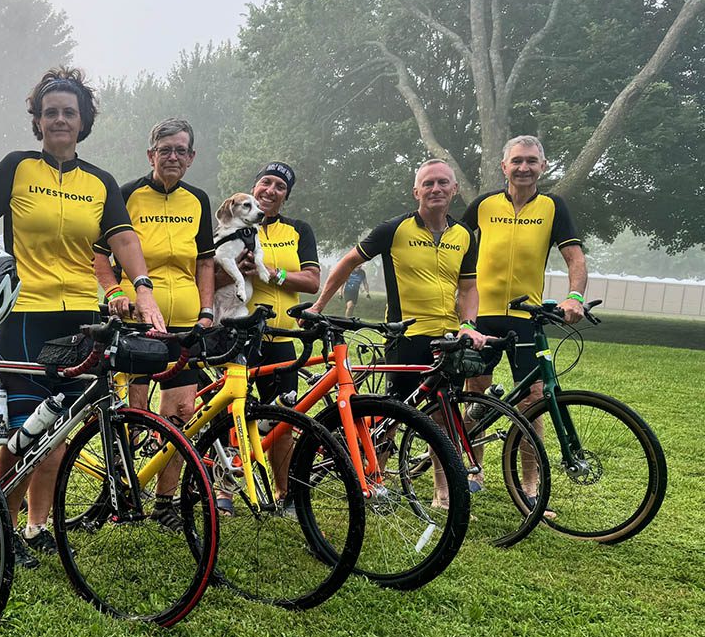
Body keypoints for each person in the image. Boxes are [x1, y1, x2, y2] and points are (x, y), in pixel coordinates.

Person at [0, 66, 165, 567]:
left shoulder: (99, 182)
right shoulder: (15, 166)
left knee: (61, 428)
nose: (59, 119)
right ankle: (2, 525)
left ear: (83, 121)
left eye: (68, 112)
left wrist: (144, 290)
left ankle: (36, 527)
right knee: (24, 428)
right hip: (24, 314)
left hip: (79, 314)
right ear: (37, 119)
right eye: (49, 111)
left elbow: (123, 240)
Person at [313, 158, 487, 505]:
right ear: (416, 191)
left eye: (442, 183)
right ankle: (372, 482)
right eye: (428, 184)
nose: (435, 189)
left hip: (448, 338)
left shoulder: (465, 236)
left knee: (443, 417)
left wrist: (468, 325)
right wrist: (318, 307)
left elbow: (468, 288)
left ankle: (443, 494)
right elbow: (348, 262)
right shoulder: (394, 229)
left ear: (454, 189)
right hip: (406, 336)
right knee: (391, 415)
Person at [93, 117, 214, 520]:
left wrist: (208, 310)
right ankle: (122, 493)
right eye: (166, 150)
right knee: (135, 417)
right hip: (136, 324)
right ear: (151, 155)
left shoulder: (198, 200)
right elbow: (100, 258)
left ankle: (165, 501)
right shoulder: (126, 194)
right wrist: (115, 293)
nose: (174, 157)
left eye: (181, 150)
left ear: (192, 157)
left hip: (184, 323)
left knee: (181, 414)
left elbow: (206, 263)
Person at [461, 135, 586, 502]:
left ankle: (528, 486)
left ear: (543, 166)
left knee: (533, 401)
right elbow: (454, 246)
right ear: (504, 167)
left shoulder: (553, 207)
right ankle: (473, 470)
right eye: (517, 160)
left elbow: (575, 258)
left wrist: (574, 297)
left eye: (532, 161)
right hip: (482, 315)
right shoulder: (483, 204)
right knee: (475, 392)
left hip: (524, 318)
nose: (524, 167)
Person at [216, 162, 320, 514]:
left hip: (282, 334)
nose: (270, 190)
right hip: (240, 332)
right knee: (234, 414)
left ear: (286, 195)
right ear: (254, 188)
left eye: (279, 186)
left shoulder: (298, 230)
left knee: (283, 419)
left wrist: (269, 274)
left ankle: (284, 493)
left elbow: (311, 282)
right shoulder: (234, 226)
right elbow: (211, 272)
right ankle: (225, 492)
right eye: (265, 182)